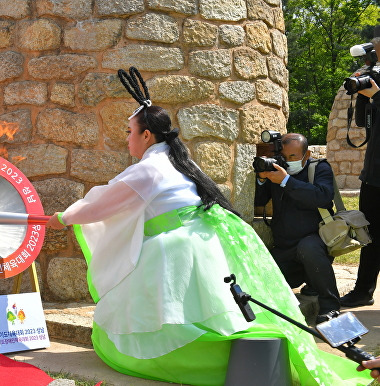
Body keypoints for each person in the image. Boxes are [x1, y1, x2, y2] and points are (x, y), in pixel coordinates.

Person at [45, 67, 371, 385]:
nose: (127, 139)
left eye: (129, 132)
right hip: (199, 242)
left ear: (146, 135)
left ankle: (215, 365)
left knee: (167, 319)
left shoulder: (151, 168)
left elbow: (102, 204)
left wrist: (64, 217)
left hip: (174, 248)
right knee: (209, 316)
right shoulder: (176, 161)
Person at [254, 133, 341, 323]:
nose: (288, 162)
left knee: (308, 247)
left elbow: (323, 197)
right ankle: (310, 282)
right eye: (284, 157)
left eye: (293, 157)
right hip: (285, 249)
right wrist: (262, 179)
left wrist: (286, 181)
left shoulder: (319, 168)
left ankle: (330, 306)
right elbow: (259, 202)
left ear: (307, 154)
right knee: (262, 278)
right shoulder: (277, 170)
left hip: (315, 244)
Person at [341, 61, 380, 307]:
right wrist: (364, 98)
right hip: (374, 177)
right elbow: (361, 122)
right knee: (370, 237)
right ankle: (363, 291)